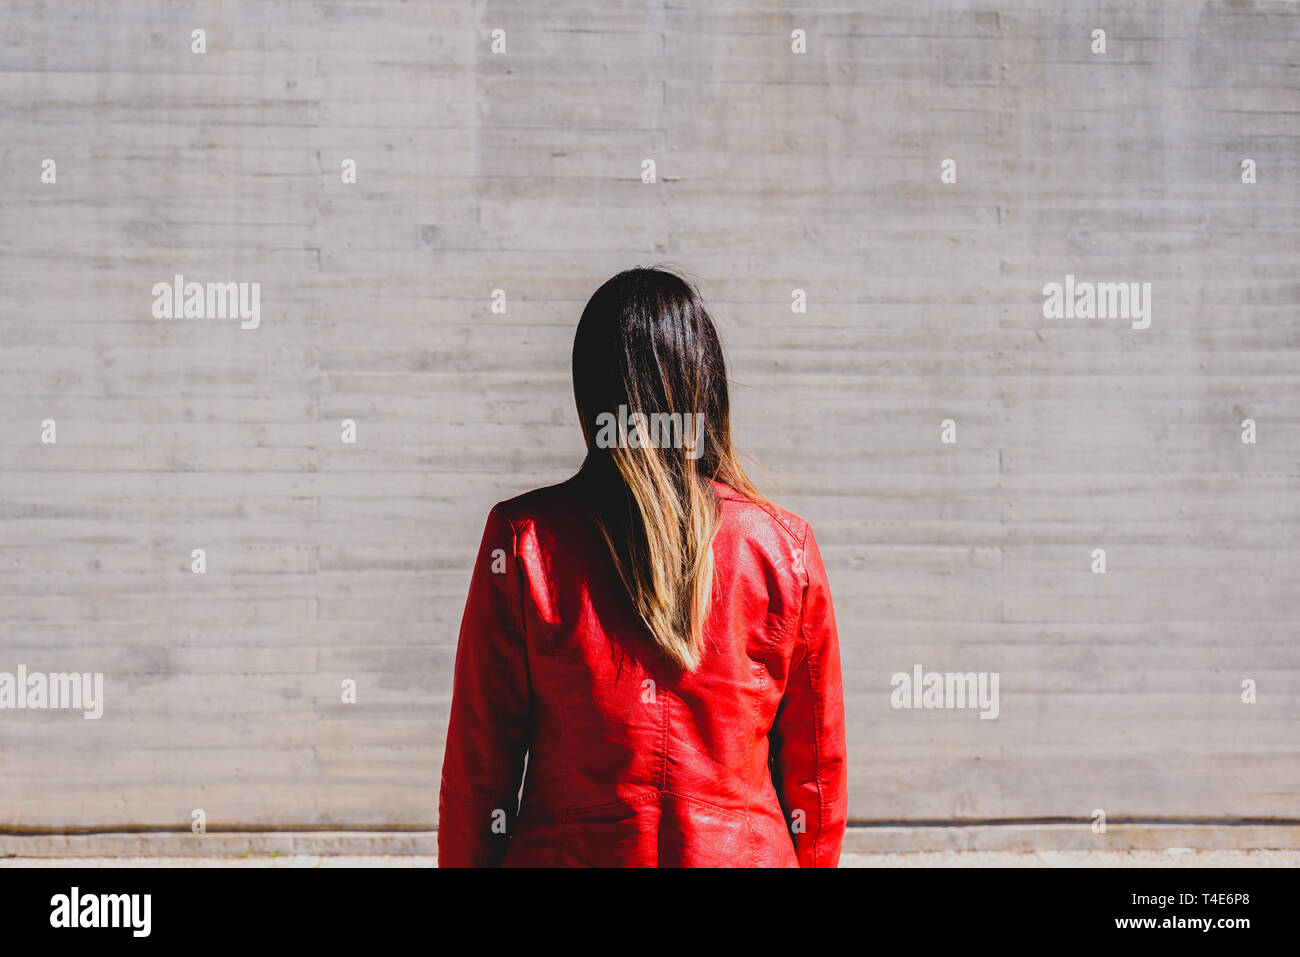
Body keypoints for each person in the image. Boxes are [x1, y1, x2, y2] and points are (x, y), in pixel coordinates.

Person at [437, 266, 847, 867]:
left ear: (590, 391)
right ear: (707, 387)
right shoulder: (782, 547)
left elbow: (482, 773)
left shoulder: (525, 542)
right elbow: (816, 777)